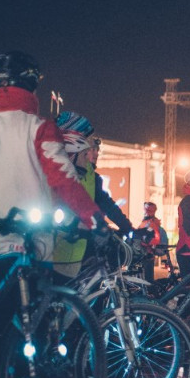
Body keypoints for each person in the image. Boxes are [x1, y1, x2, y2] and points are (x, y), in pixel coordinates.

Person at [0, 51, 105, 378]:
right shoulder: (40, 127)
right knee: (27, 331)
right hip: (32, 246)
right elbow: (63, 178)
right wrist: (93, 219)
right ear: (34, 84)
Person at [51, 116, 134, 278]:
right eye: (89, 143)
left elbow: (104, 203)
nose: (94, 151)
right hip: (55, 249)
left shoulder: (89, 174)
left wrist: (126, 229)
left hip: (79, 248)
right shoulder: (51, 169)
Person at [138, 201, 166, 283]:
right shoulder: (145, 222)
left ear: (154, 211)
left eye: (149, 210)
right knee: (144, 277)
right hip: (143, 253)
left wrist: (147, 245)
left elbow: (154, 238)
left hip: (148, 253)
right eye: (146, 210)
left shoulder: (153, 223)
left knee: (147, 279)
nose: (146, 212)